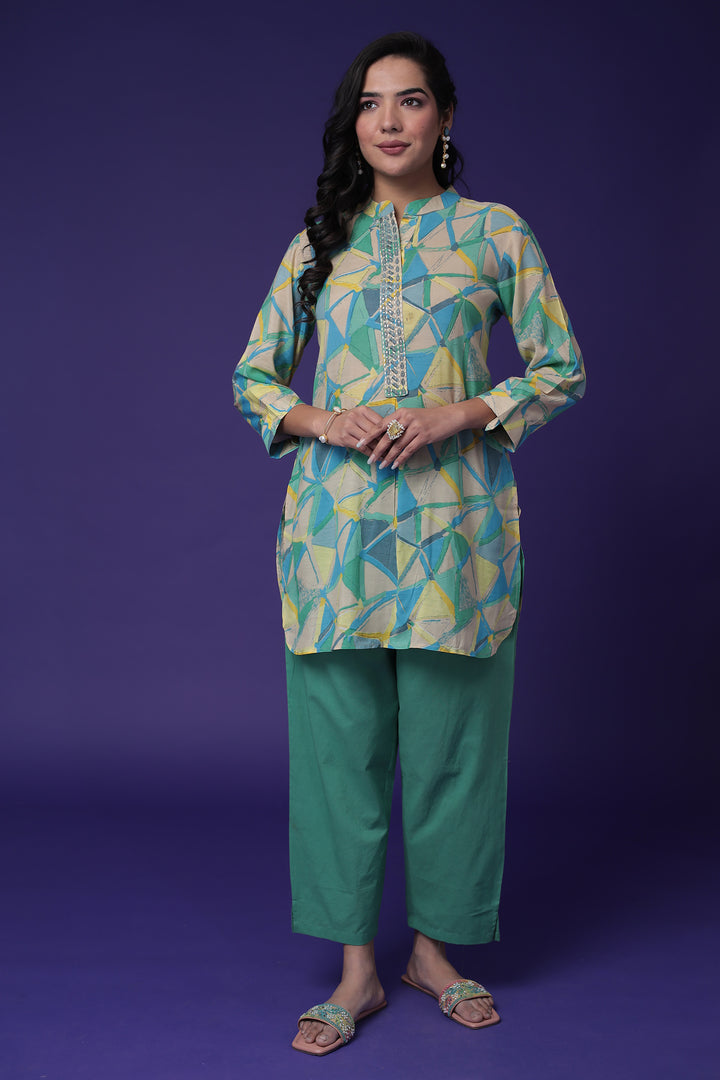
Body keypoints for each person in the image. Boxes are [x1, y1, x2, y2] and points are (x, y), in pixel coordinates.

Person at [232, 31, 585, 1056]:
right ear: (354, 122)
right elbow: (255, 377)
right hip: (336, 536)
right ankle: (357, 972)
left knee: (453, 751)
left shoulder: (494, 232)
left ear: (445, 116)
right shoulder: (319, 242)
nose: (389, 121)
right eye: (370, 103)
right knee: (339, 756)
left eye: (412, 100)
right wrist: (323, 420)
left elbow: (559, 366)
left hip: (456, 535)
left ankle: (434, 951)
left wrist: (459, 413)